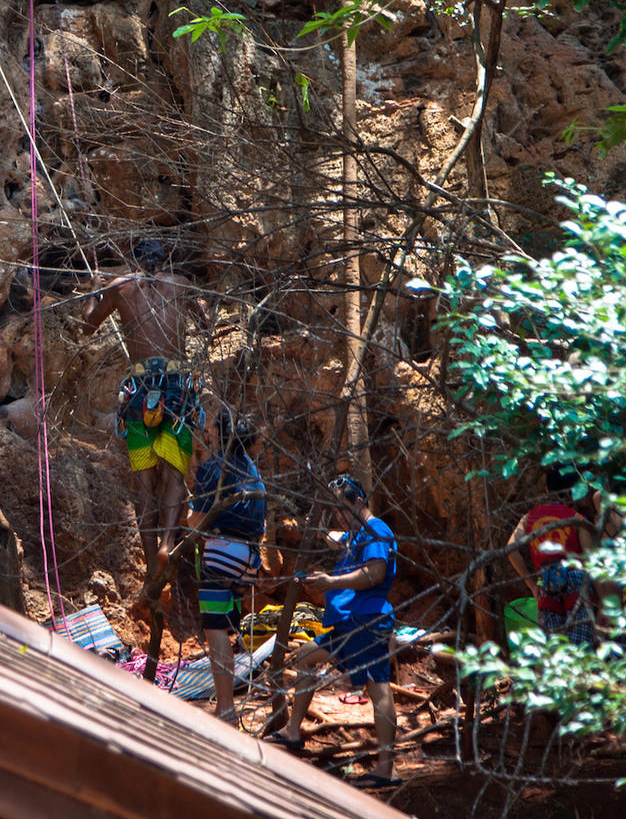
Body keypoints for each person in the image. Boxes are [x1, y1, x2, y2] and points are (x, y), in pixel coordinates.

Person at [80, 236, 203, 588]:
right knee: (175, 476)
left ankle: (151, 563)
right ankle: (167, 542)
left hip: (139, 392)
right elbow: (206, 322)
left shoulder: (121, 286)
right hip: (178, 388)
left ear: (135, 261)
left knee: (144, 483)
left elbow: (87, 326)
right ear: (163, 261)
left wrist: (94, 291)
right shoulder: (182, 284)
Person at [268, 474, 401, 790]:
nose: (339, 516)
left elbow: (375, 572)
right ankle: (292, 731)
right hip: (348, 625)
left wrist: (331, 582)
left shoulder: (376, 530)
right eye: (335, 511)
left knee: (378, 688)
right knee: (305, 656)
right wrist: (316, 529)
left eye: (342, 509)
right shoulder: (357, 534)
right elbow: (336, 537)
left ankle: (386, 768)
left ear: (359, 501)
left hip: (367, 622)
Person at [186, 406, 267, 725]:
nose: (207, 433)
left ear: (220, 433)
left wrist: (188, 518)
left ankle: (226, 710)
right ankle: (228, 704)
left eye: (210, 429)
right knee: (225, 625)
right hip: (249, 559)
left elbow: (196, 522)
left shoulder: (213, 469)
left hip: (222, 555)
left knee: (215, 629)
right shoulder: (253, 471)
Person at [506, 466, 597, 647]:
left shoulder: (528, 518)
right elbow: (590, 564)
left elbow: (510, 549)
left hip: (546, 584)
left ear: (547, 489)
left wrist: (532, 586)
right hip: (577, 583)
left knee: (554, 650)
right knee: (579, 650)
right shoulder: (577, 518)